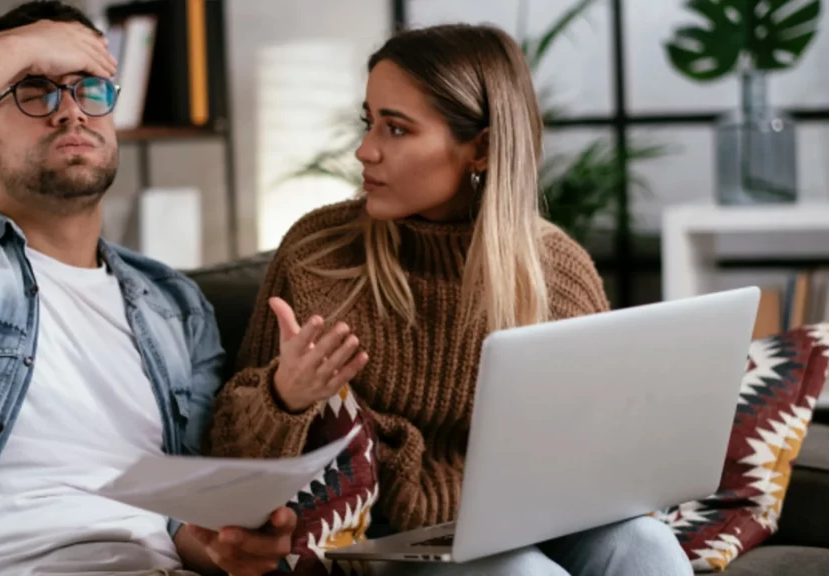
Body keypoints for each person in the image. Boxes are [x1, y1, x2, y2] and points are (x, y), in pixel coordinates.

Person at [0, 2, 293, 575]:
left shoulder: (175, 305)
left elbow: (185, 518)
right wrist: (27, 43)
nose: (71, 111)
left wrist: (222, 550)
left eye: (90, 89)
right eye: (35, 90)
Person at [206, 23, 693, 576]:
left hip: (530, 517)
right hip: (391, 539)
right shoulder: (319, 254)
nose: (365, 150)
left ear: (480, 148)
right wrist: (283, 395)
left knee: (646, 545)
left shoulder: (555, 271)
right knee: (522, 574)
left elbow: (603, 442)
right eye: (369, 122)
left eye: (396, 128)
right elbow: (228, 458)